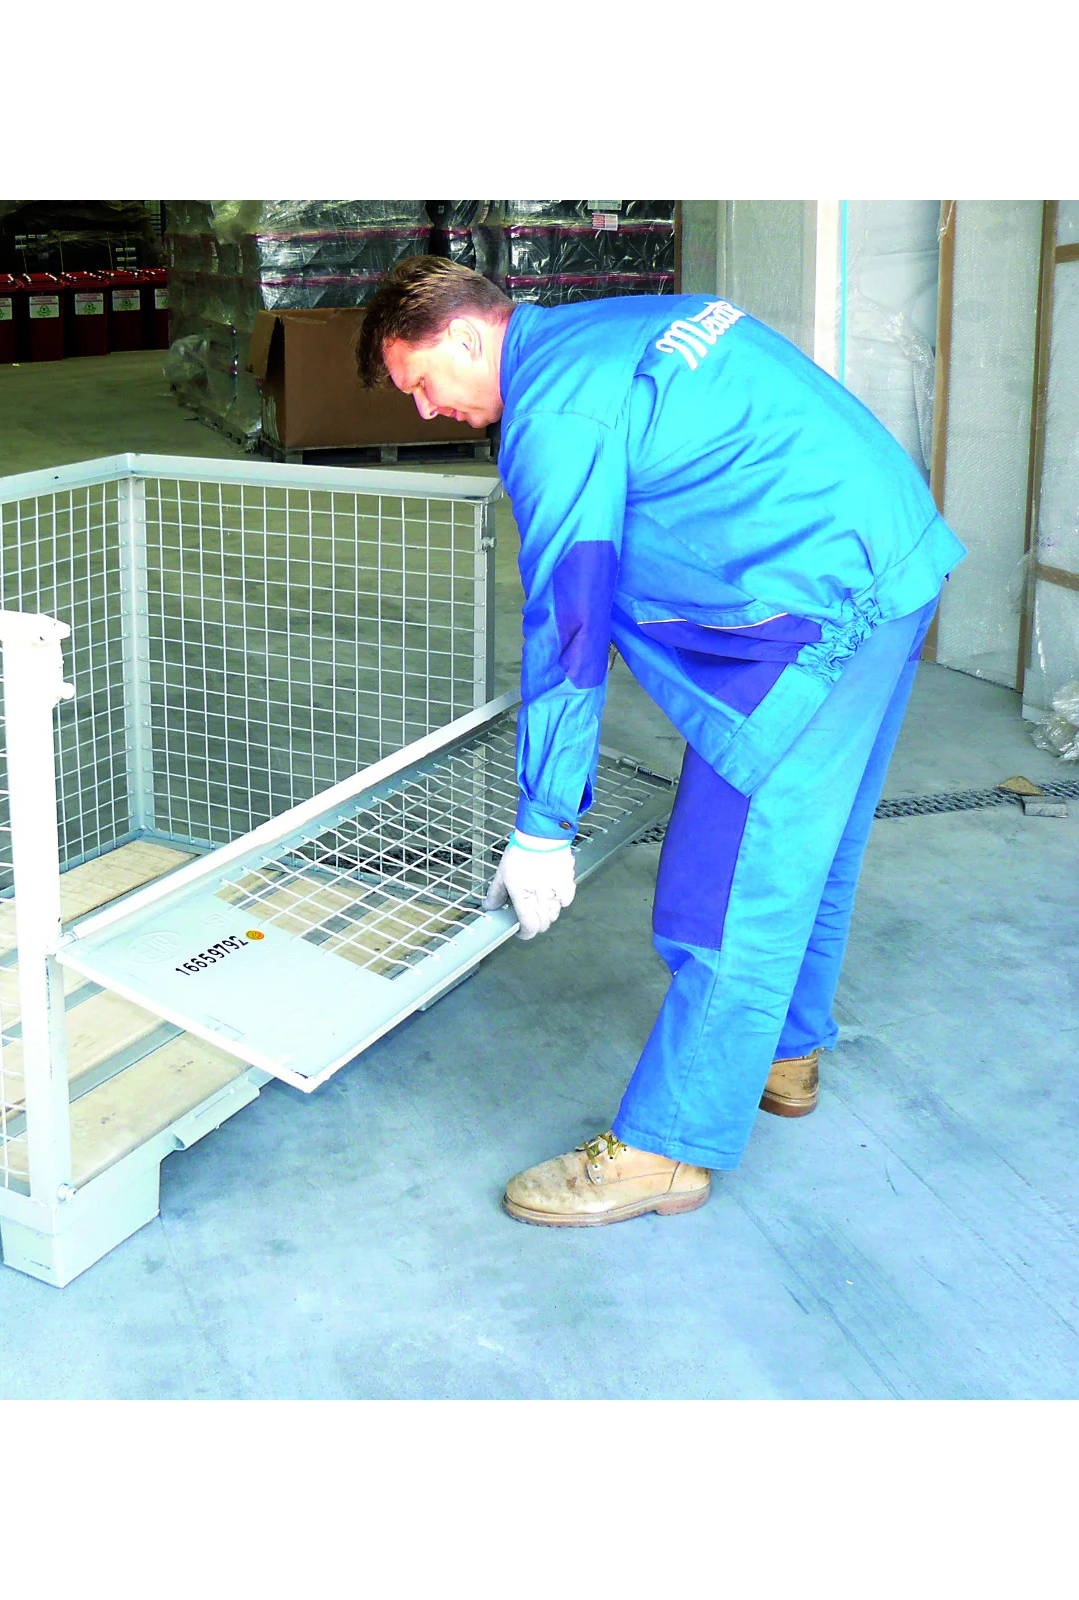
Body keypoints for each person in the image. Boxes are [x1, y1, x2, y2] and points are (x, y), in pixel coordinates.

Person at [356, 257, 965, 1228]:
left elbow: (568, 623)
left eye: (421, 382)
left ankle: (668, 1146)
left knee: (721, 884)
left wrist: (544, 823)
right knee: (815, 844)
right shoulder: (623, 322)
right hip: (891, 557)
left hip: (809, 612)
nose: (427, 411)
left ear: (467, 334)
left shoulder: (555, 416)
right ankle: (784, 1051)